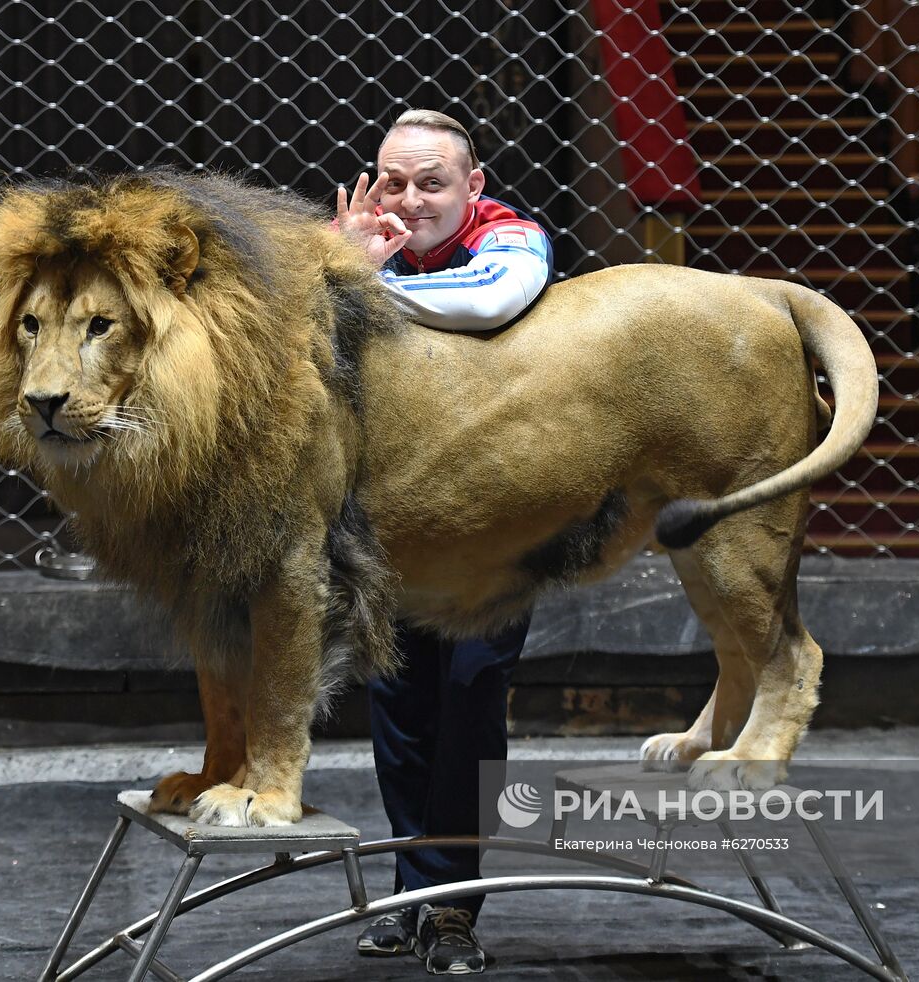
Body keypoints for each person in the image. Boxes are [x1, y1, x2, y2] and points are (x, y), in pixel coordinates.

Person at [333, 108, 553, 976]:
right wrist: (337, 264)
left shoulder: (513, 238)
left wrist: (350, 285)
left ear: (474, 186)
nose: (411, 198)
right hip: (394, 525)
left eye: (433, 182)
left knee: (469, 703)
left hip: (495, 530)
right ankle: (408, 893)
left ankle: (451, 908)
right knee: (400, 709)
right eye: (395, 181)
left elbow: (486, 302)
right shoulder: (354, 241)